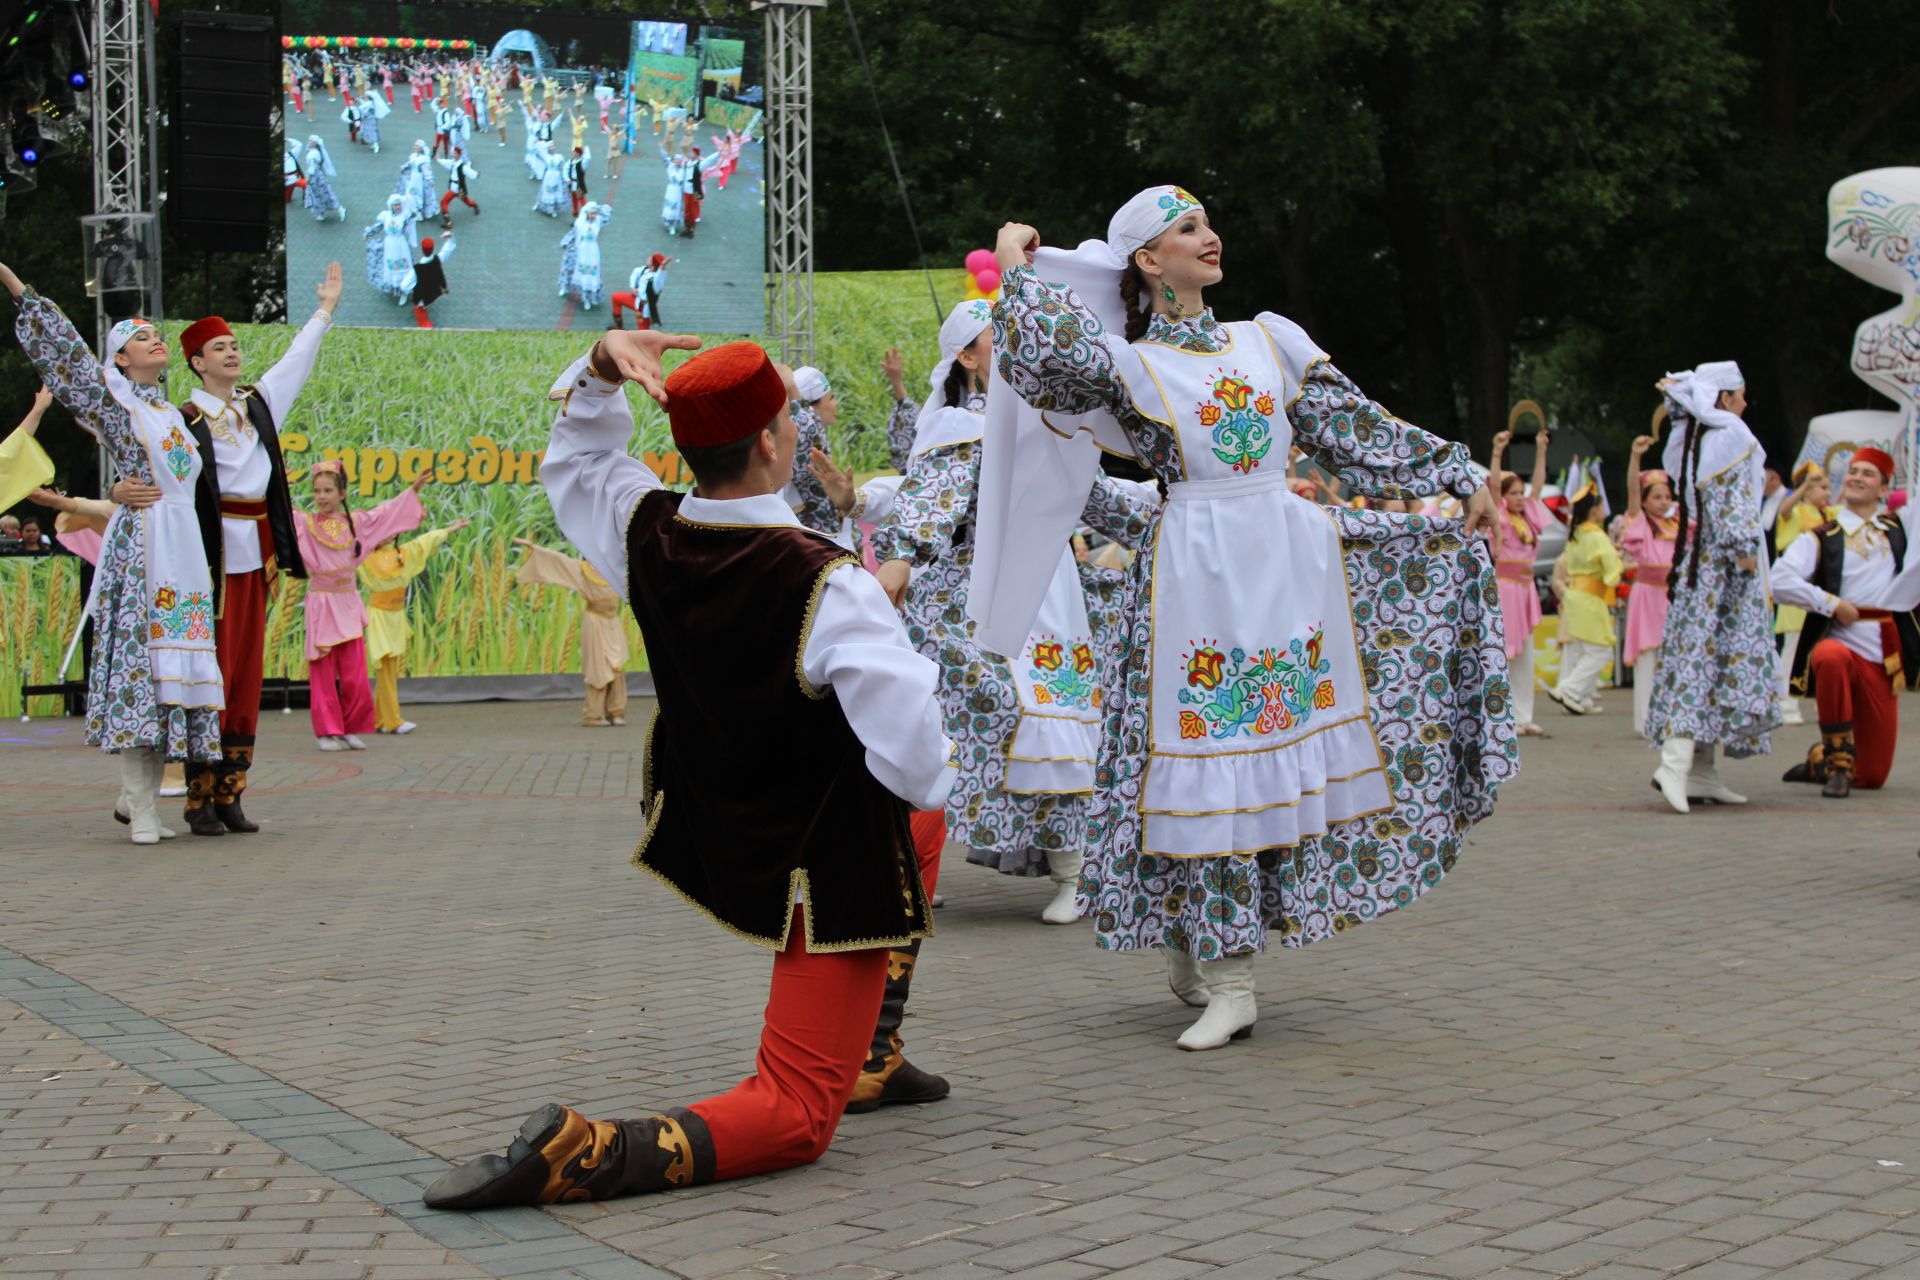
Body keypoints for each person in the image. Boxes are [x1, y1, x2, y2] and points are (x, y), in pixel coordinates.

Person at [422, 329, 954, 1212]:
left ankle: (874, 1047)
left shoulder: (648, 528)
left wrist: (599, 371)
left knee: (924, 832)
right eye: (791, 418)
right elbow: (925, 763)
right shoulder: (830, 581)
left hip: (717, 821)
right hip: (824, 868)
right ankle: (586, 1152)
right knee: (794, 1116)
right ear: (775, 445)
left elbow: (581, 459)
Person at [981, 189, 1511, 1050]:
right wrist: (1013, 268)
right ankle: (1215, 961)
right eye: (1184, 229)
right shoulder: (1130, 362)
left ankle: (1228, 968)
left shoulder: (1269, 339)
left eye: (1206, 221)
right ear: (1149, 263)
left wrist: (1459, 475)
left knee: (1260, 767)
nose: (1208, 235)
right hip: (1197, 571)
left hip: (1286, 563)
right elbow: (1045, 358)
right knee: (1208, 762)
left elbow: (1355, 429)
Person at [872, 298, 1157, 928]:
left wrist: (1186, 514)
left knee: (1052, 719)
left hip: (1046, 591)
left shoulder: (1050, 420)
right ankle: (907, 869)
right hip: (968, 598)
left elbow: (1097, 496)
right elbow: (930, 496)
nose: (1008, 342)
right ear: (968, 358)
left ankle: (1073, 873)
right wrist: (900, 556)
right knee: (978, 717)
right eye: (992, 337)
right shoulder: (960, 425)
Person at [1, 263, 223, 846]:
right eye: (139, 337)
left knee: (171, 677)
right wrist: (15, 285)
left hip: (184, 553)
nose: (153, 340)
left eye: (155, 334)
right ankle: (142, 807)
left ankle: (139, 800)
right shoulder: (115, 404)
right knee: (141, 671)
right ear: (121, 358)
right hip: (145, 547)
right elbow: (68, 357)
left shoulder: (173, 414)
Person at [120, 275, 341, 835]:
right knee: (208, 675)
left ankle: (231, 792)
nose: (233, 352)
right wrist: (120, 490)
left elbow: (294, 364)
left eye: (235, 345)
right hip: (206, 561)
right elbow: (145, 463)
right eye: (220, 347)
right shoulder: (181, 421)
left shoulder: (258, 408)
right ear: (196, 363)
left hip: (256, 557)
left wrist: (322, 312)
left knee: (245, 675)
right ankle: (196, 797)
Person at [1643, 363, 1777, 814]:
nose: (1744, 403)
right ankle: (1675, 765)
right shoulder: (1730, 433)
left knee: (1705, 659)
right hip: (1722, 567)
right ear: (1723, 398)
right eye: (1739, 395)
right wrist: (1743, 554)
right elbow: (1731, 499)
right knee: (1700, 660)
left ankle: (1701, 770)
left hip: (1701, 563)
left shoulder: (1699, 437)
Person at [1774, 448, 1920, 796]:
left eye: (1868, 473)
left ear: (1885, 489)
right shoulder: (1823, 534)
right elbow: (1779, 579)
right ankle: (1838, 761)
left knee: (1872, 777)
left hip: (1883, 656)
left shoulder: (1899, 529)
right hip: (1840, 642)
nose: (1856, 477)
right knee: (1830, 656)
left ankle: (1818, 761)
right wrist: (1831, 603)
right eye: (1853, 471)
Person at [295, 462, 434, 751]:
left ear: (342, 492)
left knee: (354, 672)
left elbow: (386, 512)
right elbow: (277, 516)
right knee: (322, 671)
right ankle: (326, 731)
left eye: (328, 490)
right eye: (317, 491)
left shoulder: (356, 523)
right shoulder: (304, 523)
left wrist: (413, 490)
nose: (321, 496)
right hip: (322, 600)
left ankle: (349, 727)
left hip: (347, 601)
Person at [359, 519, 467, 735]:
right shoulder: (366, 556)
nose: (387, 534)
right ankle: (393, 721)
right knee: (386, 668)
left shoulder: (403, 553)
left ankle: (381, 720)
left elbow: (424, 542)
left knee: (388, 669)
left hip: (395, 615)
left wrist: (448, 529)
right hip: (379, 616)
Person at [512, 537, 631, 726]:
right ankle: (592, 715)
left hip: (612, 623)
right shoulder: (583, 571)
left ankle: (616, 712)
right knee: (598, 669)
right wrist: (534, 548)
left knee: (617, 667)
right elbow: (559, 562)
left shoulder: (617, 570)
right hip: (596, 623)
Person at [1487, 427, 1552, 736]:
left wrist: (1541, 449)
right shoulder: (1499, 515)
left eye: (1520, 493)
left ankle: (1524, 716)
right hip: (1506, 587)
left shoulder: (1528, 517)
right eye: (1513, 493)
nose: (1518, 497)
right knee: (1506, 650)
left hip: (1526, 591)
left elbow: (1537, 486)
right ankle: (1505, 716)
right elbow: (1495, 486)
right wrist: (1498, 451)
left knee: (1525, 652)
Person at [1616, 435, 1678, 737]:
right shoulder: (1639, 520)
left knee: (1670, 658)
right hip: (1647, 593)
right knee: (1646, 658)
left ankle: (1667, 717)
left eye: (1667, 496)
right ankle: (1644, 720)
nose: (1663, 502)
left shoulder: (1678, 523)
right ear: (1643, 500)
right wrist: (1636, 456)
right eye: (1656, 497)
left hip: (1671, 595)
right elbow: (1631, 489)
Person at [1544, 481, 1622, 715]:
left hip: (1576, 595)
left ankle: (1582, 696)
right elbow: (1611, 568)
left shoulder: (1576, 534)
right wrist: (1618, 571)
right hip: (1589, 598)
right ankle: (1569, 688)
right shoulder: (1596, 536)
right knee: (1600, 651)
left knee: (1585, 649)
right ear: (1594, 509)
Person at [1772, 461, 1833, 726]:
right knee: (1794, 647)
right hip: (1796, 587)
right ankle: (1786, 704)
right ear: (1806, 490)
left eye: (1828, 488)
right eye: (1822, 488)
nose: (1827, 493)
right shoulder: (1795, 511)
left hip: (1821, 588)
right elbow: (1782, 510)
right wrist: (1805, 486)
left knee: (1822, 648)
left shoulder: (1829, 515)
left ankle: (1826, 706)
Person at [363, 195, 419, 305]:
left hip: (401, 244)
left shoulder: (405, 216)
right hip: (389, 245)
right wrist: (368, 234)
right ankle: (395, 287)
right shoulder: (385, 215)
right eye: (395, 205)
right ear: (391, 206)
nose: (398, 207)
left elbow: (414, 215)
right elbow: (378, 227)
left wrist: (410, 204)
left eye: (399, 204)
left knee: (403, 266)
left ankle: (404, 292)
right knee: (391, 266)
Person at [557, 202, 612, 310]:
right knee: (570, 268)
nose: (593, 216)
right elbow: (573, 234)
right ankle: (565, 287)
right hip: (580, 249)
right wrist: (565, 243)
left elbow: (608, 211)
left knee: (590, 273)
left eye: (595, 214)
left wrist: (597, 208)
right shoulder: (580, 223)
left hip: (592, 251)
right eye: (591, 213)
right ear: (586, 213)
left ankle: (587, 298)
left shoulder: (598, 221)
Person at [610, 253, 669, 331]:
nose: (648, 258)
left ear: (653, 264)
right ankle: (618, 326)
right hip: (636, 299)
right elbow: (634, 274)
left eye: (651, 259)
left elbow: (660, 276)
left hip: (644, 307)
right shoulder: (645, 270)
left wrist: (662, 267)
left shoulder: (656, 280)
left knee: (642, 331)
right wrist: (632, 287)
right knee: (616, 297)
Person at [409, 235, 455, 330]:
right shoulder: (437, 259)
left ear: (422, 249)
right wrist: (451, 237)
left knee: (421, 313)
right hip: (434, 292)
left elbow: (404, 285)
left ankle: (428, 328)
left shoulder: (417, 268)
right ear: (433, 249)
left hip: (422, 296)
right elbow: (447, 250)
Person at [301, 135, 345, 223]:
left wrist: (308, 178)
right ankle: (320, 212)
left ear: (315, 143)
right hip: (317, 175)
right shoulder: (313, 151)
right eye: (309, 141)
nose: (309, 142)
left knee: (324, 193)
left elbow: (311, 168)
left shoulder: (314, 153)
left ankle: (339, 208)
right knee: (318, 194)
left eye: (311, 141)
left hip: (315, 176)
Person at [436, 147, 481, 229]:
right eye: (453, 153)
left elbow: (470, 172)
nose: (453, 155)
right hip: (453, 188)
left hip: (459, 189)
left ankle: (475, 206)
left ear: (459, 155)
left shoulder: (462, 166)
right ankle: (448, 222)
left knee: (468, 202)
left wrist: (476, 174)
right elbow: (446, 162)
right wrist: (438, 159)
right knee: (443, 202)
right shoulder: (452, 163)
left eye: (455, 153)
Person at [396, 140, 437, 219]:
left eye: (417, 146)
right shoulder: (414, 156)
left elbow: (426, 171)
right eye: (415, 145)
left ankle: (419, 213)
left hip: (419, 180)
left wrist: (430, 179)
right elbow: (410, 164)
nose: (415, 147)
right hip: (413, 178)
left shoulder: (423, 159)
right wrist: (404, 167)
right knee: (411, 194)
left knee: (418, 195)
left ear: (421, 148)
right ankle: (415, 211)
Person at [532, 140, 567, 218]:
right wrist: (538, 145)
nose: (552, 149)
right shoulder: (546, 156)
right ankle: (539, 204)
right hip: (548, 176)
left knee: (554, 191)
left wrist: (563, 177)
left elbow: (562, 167)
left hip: (556, 176)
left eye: (553, 147)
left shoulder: (559, 156)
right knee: (545, 190)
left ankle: (552, 209)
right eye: (550, 148)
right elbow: (537, 154)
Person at [564, 144, 590, 218]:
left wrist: (586, 149)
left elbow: (588, 158)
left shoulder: (582, 163)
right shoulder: (570, 161)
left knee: (582, 200)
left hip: (578, 185)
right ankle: (575, 213)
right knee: (573, 199)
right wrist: (567, 179)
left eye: (574, 152)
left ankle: (587, 214)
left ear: (578, 154)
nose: (573, 153)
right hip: (572, 184)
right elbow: (565, 170)